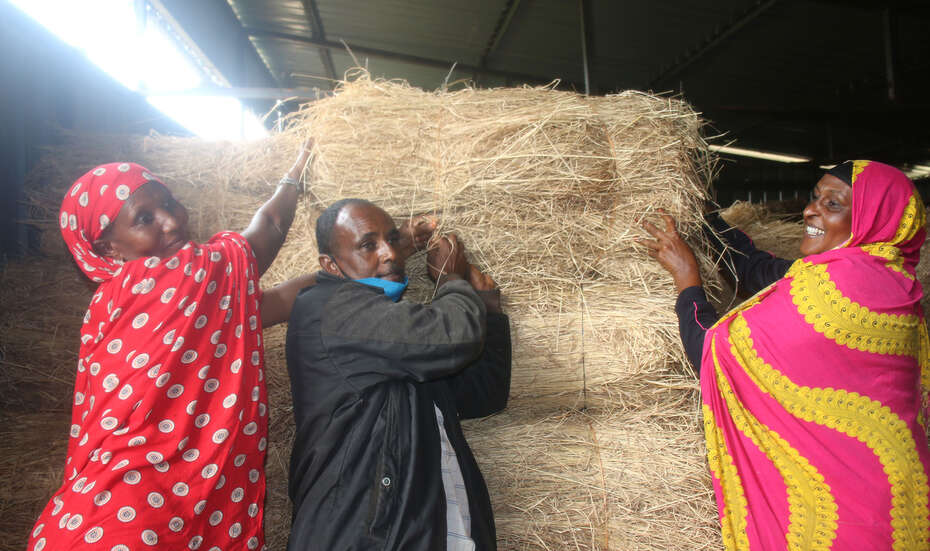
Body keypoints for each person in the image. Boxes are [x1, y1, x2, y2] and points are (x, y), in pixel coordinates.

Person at [28, 142, 320, 551]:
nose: (171, 222)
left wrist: (343, 277)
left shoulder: (107, 305)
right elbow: (268, 229)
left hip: (87, 519)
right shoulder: (184, 275)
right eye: (144, 219)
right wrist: (296, 173)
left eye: (168, 202)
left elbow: (270, 304)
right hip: (139, 524)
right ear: (108, 248)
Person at [641, 160, 930, 549]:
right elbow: (763, 272)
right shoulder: (890, 282)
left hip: (845, 518)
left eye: (833, 205)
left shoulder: (827, 291)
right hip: (902, 502)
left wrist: (687, 279)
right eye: (815, 197)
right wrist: (707, 218)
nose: (811, 210)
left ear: (870, 219)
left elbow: (710, 352)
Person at [285, 198, 512, 551]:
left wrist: (491, 316)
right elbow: (451, 337)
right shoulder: (327, 310)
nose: (390, 253)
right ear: (331, 265)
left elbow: (483, 396)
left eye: (392, 239)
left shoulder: (393, 338)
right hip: (357, 536)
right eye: (368, 245)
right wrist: (451, 279)